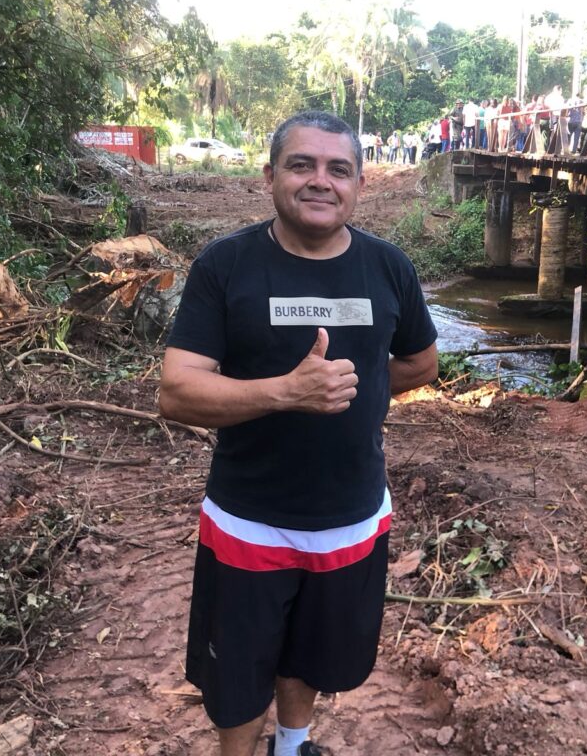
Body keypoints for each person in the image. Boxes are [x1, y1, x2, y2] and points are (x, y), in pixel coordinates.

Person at [159, 110, 439, 756]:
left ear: (360, 185)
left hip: (351, 519)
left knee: (310, 657)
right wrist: (287, 393)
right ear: (270, 177)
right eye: (302, 165)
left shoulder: (388, 268)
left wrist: (356, 390)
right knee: (236, 674)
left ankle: (292, 746)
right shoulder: (225, 266)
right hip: (248, 523)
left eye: (338, 169)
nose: (321, 181)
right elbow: (177, 391)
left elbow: (421, 362)